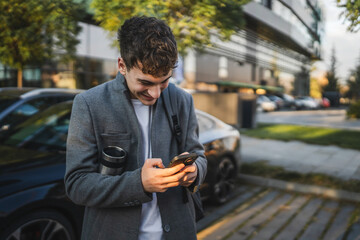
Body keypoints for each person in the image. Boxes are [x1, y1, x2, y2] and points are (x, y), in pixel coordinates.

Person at [64, 16, 207, 240]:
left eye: (164, 81)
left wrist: (195, 171)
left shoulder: (182, 100)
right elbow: (77, 185)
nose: (156, 93)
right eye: (146, 83)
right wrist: (139, 183)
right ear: (122, 65)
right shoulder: (89, 104)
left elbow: (198, 155)